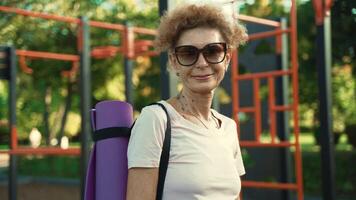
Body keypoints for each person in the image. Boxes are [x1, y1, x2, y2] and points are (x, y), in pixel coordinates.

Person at [126, 3, 248, 200]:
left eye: (213, 51)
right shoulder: (156, 120)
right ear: (174, 61)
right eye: (188, 53)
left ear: (227, 57)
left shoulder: (228, 127)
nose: (202, 63)